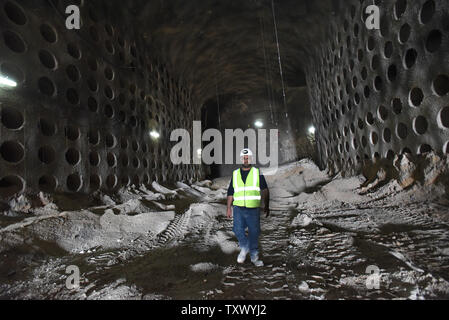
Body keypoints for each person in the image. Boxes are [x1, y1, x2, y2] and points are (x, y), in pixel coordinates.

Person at [226, 148, 270, 267]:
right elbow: (231, 191)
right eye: (244, 158)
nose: (246, 160)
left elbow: (265, 189)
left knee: (254, 232)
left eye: (248, 158)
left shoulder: (257, 172)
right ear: (241, 159)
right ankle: (245, 247)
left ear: (251, 159)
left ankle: (254, 257)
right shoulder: (235, 174)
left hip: (253, 208)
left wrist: (267, 205)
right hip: (238, 208)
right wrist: (228, 208)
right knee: (237, 229)